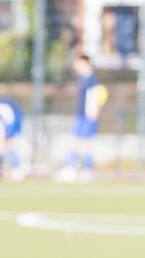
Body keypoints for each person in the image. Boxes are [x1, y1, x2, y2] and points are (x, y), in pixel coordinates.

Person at [58, 54, 107, 182]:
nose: (77, 67)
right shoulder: (82, 79)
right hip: (80, 114)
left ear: (86, 64)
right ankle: (71, 167)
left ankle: (87, 169)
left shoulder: (92, 80)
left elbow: (101, 94)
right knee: (75, 141)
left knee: (86, 143)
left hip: (88, 115)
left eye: (79, 64)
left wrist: (96, 110)